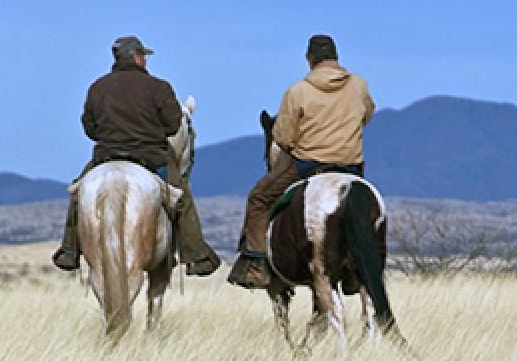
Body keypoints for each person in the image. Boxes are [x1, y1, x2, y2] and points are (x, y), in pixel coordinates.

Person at [52, 35, 221, 276]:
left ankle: (69, 249)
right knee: (181, 197)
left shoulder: (97, 87)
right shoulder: (158, 87)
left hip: (107, 156)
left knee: (78, 193)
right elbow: (173, 125)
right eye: (143, 56)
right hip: (150, 156)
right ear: (137, 58)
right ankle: (196, 255)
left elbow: (89, 128)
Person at [228, 34, 375, 289]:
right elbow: (367, 114)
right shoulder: (359, 86)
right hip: (351, 166)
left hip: (308, 165)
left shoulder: (298, 91)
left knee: (259, 198)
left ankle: (257, 264)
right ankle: (355, 268)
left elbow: (283, 136)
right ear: (336, 58)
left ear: (309, 60)